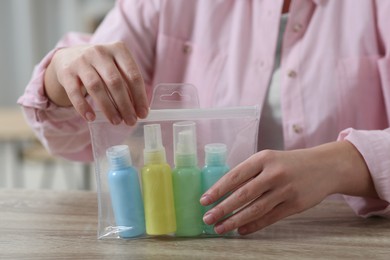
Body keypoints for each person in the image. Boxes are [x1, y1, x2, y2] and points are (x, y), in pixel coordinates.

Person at [18, 0, 390, 235]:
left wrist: (343, 165)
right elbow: (73, 136)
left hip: (349, 235)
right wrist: (62, 75)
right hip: (192, 237)